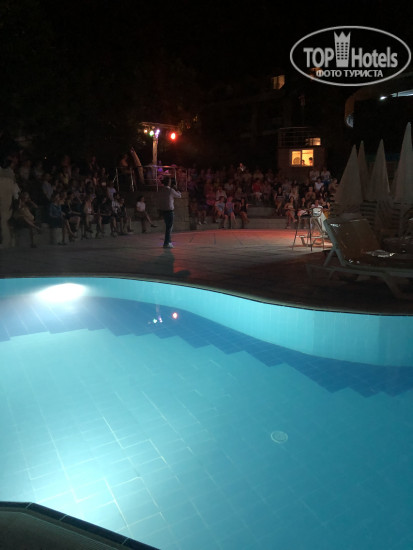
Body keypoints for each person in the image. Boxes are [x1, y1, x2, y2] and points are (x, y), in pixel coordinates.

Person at [157, 177, 181, 248]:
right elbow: (179, 195)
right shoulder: (171, 190)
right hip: (169, 211)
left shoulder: (161, 190)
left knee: (168, 226)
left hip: (163, 210)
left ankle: (169, 242)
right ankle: (166, 243)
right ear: (169, 182)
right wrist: (176, 188)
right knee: (169, 227)